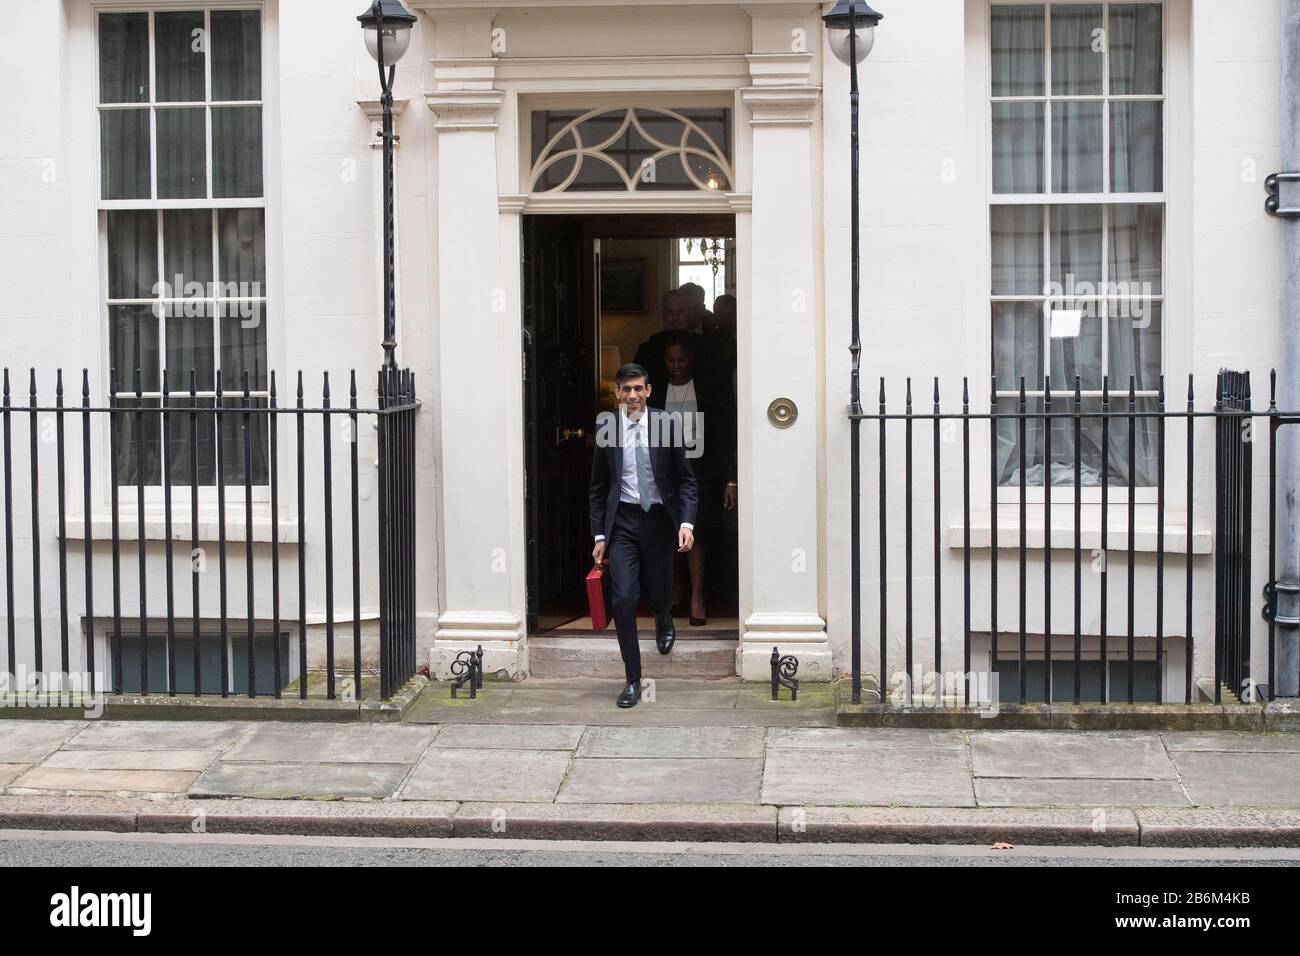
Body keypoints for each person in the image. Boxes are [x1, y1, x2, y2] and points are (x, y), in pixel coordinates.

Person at [589, 363, 699, 708]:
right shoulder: (607, 427)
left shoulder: (667, 424)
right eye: (626, 389)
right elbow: (597, 487)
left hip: (658, 522)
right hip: (622, 522)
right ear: (617, 393)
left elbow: (687, 480)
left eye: (639, 388)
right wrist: (599, 535)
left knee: (660, 588)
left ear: (649, 390)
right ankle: (633, 679)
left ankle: (664, 616)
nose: (633, 395)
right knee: (622, 598)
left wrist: (686, 523)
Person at [653, 331, 734, 626]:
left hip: (700, 471)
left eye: (682, 359)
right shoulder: (655, 388)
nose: (676, 365)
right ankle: (676, 589)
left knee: (695, 530)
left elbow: (724, 433)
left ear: (692, 359)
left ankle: (697, 596)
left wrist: (730, 480)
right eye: (671, 360)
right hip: (662, 470)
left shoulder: (707, 389)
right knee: (666, 529)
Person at [633, 288, 696, 399]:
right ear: (662, 314)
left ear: (690, 313)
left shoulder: (709, 350)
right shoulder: (647, 351)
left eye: (681, 311)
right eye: (669, 311)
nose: (675, 317)